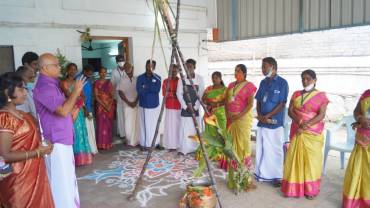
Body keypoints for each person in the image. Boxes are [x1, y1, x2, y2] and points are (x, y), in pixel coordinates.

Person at [33, 53, 82, 208]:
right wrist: (76, 91)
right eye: (56, 65)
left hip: (61, 137)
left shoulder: (52, 84)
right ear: (45, 68)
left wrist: (71, 115)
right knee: (62, 182)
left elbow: (63, 112)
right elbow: (61, 111)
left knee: (67, 179)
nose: (59, 67)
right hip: (56, 142)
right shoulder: (45, 87)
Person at [0, 72, 54, 208]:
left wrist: (44, 146)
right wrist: (37, 152)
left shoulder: (23, 114)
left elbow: (30, 141)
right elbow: (5, 155)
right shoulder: (4, 118)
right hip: (19, 180)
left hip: (35, 172)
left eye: (24, 88)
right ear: (8, 92)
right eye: (20, 89)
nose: (25, 92)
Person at [281, 69, 329, 199]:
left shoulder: (321, 96)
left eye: (308, 78)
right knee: (295, 159)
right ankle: (293, 188)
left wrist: (306, 125)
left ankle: (310, 190)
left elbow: (321, 114)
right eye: (303, 78)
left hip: (312, 133)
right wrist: (300, 121)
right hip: (297, 129)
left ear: (315, 80)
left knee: (311, 162)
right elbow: (290, 111)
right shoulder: (296, 94)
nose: (305, 81)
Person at [254, 57, 289, 187]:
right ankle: (262, 174)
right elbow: (258, 100)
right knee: (263, 149)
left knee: (275, 150)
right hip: (262, 122)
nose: (262, 69)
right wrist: (259, 114)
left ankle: (277, 176)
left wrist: (267, 115)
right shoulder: (263, 82)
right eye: (262, 66)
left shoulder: (282, 83)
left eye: (265, 66)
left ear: (273, 67)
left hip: (275, 123)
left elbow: (282, 104)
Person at [225, 64, 257, 189]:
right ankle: (233, 177)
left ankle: (245, 177)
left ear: (244, 73)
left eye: (238, 71)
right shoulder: (231, 85)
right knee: (232, 147)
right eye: (235, 71)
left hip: (242, 120)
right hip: (231, 119)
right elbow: (227, 101)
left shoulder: (249, 86)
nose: (235, 73)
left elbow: (250, 105)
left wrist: (238, 116)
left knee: (243, 146)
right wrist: (228, 115)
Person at [60, 63, 93, 166]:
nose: (73, 71)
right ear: (67, 70)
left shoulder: (77, 82)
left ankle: (82, 158)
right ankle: (73, 158)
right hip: (69, 111)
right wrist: (77, 98)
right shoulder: (63, 83)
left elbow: (82, 96)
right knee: (73, 133)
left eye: (75, 70)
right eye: (71, 69)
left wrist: (83, 106)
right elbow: (69, 95)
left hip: (79, 110)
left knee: (81, 132)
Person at [342, 89, 370, 207]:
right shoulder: (367, 93)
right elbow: (356, 111)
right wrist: (360, 119)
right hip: (362, 137)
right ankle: (356, 199)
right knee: (358, 170)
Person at [176, 59, 205, 155]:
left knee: (195, 128)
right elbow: (179, 94)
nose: (188, 68)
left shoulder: (200, 79)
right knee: (185, 129)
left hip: (195, 109)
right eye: (187, 66)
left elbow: (201, 93)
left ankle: (195, 148)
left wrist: (195, 107)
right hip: (186, 109)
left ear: (194, 67)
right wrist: (185, 106)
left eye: (190, 66)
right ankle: (185, 149)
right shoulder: (182, 79)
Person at [201, 71, 227, 168]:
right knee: (210, 133)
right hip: (209, 113)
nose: (214, 79)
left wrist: (216, 104)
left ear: (220, 78)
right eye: (213, 77)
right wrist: (208, 103)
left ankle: (221, 152)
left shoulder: (225, 89)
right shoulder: (208, 88)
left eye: (216, 77)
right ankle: (211, 151)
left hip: (220, 114)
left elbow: (226, 102)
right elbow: (203, 99)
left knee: (220, 132)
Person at [136, 59, 161, 150]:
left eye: (151, 66)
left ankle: (156, 143)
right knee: (145, 125)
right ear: (145, 66)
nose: (149, 67)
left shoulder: (158, 77)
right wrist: (148, 88)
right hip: (145, 105)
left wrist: (145, 87)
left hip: (155, 104)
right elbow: (139, 90)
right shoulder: (140, 78)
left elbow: (156, 90)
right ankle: (145, 144)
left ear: (154, 67)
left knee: (155, 124)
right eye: (148, 65)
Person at [117, 62, 139, 147]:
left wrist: (135, 101)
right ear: (124, 69)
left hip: (136, 104)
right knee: (128, 124)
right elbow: (120, 92)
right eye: (125, 68)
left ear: (132, 67)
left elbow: (140, 91)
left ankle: (136, 141)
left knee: (136, 123)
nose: (127, 69)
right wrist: (129, 102)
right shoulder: (122, 79)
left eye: (129, 67)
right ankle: (129, 141)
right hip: (127, 105)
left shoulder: (137, 78)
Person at [94, 67, 115, 150]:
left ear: (106, 73)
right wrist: (104, 105)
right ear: (99, 73)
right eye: (101, 72)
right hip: (100, 106)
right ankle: (101, 144)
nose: (103, 74)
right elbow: (96, 96)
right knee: (101, 125)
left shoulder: (109, 83)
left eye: (104, 72)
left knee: (109, 125)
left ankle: (108, 143)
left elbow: (112, 95)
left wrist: (109, 105)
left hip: (109, 106)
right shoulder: (96, 83)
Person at [162, 64, 181, 150]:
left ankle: (178, 145)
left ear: (177, 71)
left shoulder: (180, 81)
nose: (173, 72)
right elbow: (164, 93)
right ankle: (170, 145)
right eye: (172, 70)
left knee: (178, 126)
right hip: (169, 107)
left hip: (178, 107)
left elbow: (181, 94)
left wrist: (171, 93)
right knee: (169, 127)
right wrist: (173, 94)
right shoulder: (166, 81)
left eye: (175, 71)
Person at [81, 65, 98, 154]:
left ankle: (93, 149)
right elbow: (80, 96)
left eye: (91, 74)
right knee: (86, 129)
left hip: (89, 107)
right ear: (84, 71)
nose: (90, 75)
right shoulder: (80, 80)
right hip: (84, 109)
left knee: (91, 128)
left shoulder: (88, 79)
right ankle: (88, 151)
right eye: (89, 73)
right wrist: (85, 109)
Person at [111, 55, 126, 140]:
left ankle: (127, 131)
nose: (121, 62)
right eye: (119, 60)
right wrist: (113, 97)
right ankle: (121, 133)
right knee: (120, 114)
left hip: (128, 96)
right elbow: (112, 84)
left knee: (127, 114)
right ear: (117, 62)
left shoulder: (128, 70)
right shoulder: (114, 72)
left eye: (122, 60)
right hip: (118, 96)